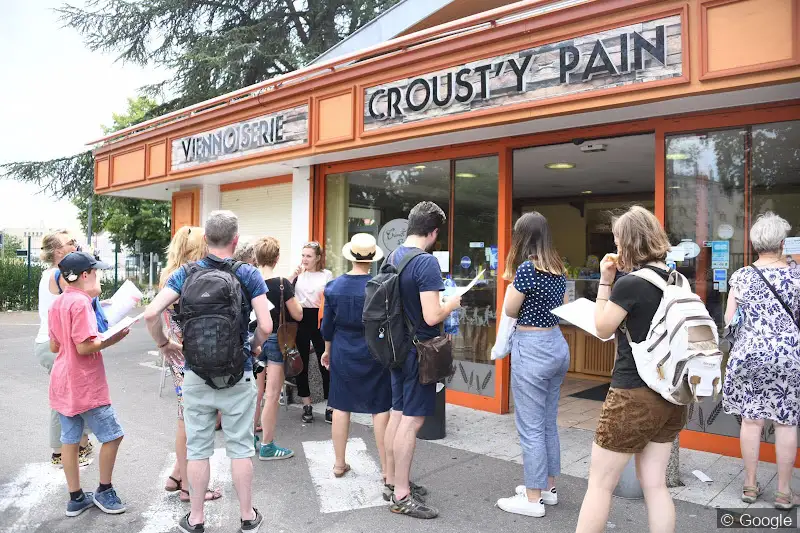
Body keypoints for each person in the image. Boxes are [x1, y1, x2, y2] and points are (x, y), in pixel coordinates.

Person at [144, 211, 272, 533]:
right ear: (236, 240)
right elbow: (267, 325)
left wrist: (164, 344)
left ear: (205, 240)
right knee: (241, 447)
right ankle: (246, 516)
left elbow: (150, 313)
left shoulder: (185, 274)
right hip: (238, 372)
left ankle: (197, 518)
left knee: (198, 449)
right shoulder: (248, 274)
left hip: (196, 374)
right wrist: (254, 346)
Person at [575, 206, 686, 533]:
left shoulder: (631, 284)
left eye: (617, 240)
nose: (616, 246)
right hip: (672, 394)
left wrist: (605, 282)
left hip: (632, 395)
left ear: (629, 243)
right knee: (655, 485)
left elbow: (603, 328)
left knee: (599, 484)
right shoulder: (675, 279)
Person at [383, 201, 461, 519]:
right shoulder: (425, 263)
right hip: (419, 351)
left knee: (397, 413)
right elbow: (431, 315)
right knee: (411, 422)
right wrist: (451, 304)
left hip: (395, 349)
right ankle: (401, 495)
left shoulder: (393, 257)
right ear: (433, 232)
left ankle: (391, 480)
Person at [723, 212, 800, 509]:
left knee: (751, 421)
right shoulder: (795, 275)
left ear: (755, 243)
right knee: (785, 422)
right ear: (782, 243)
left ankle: (750, 486)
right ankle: (783, 492)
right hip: (788, 355)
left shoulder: (742, 276)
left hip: (750, 355)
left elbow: (729, 321)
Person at [495, 212, 569, 518]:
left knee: (531, 427)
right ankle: (547, 489)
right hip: (556, 344)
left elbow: (511, 308)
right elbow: (561, 305)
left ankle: (532, 499)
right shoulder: (558, 268)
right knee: (548, 421)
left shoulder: (527, 268)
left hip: (533, 347)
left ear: (522, 236)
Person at [48, 251, 130, 517]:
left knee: (69, 440)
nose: (99, 278)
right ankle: (105, 490)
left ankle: (76, 497)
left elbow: (54, 345)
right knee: (113, 435)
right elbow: (84, 347)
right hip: (85, 383)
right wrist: (112, 338)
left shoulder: (57, 304)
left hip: (63, 381)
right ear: (85, 275)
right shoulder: (81, 304)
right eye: (96, 273)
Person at [158, 226, 223, 503]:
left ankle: (177, 476)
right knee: (190, 422)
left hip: (177, 354)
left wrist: (163, 342)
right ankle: (190, 488)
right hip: (192, 356)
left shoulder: (168, 275)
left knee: (189, 417)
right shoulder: (190, 279)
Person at [319, 233, 391, 478]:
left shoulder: (333, 287)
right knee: (380, 407)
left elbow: (326, 327)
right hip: (374, 350)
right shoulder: (379, 287)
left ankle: (339, 464)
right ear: (371, 259)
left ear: (350, 256)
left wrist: (327, 351)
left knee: (340, 405)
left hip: (343, 349)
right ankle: (385, 468)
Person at [35, 230, 93, 467]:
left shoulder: (51, 273)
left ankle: (76, 444)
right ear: (58, 251)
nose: (75, 245)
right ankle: (62, 450)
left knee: (68, 395)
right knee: (66, 399)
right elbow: (89, 292)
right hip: (55, 346)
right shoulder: (60, 274)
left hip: (50, 344)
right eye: (70, 243)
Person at [251, 236, 303, 460]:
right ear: (277, 257)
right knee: (272, 395)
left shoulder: (249, 280)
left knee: (255, 392)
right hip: (275, 339)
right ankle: (268, 445)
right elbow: (298, 314)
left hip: (252, 338)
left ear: (256, 257)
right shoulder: (282, 283)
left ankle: (249, 437)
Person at [288, 241, 333, 423]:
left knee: (326, 362)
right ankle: (307, 404)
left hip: (320, 317)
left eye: (309, 256)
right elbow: (284, 292)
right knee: (301, 363)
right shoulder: (298, 275)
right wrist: (293, 276)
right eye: (303, 255)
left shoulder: (326, 275)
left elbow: (331, 298)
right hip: (300, 317)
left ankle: (331, 406)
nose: (305, 259)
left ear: (317, 258)